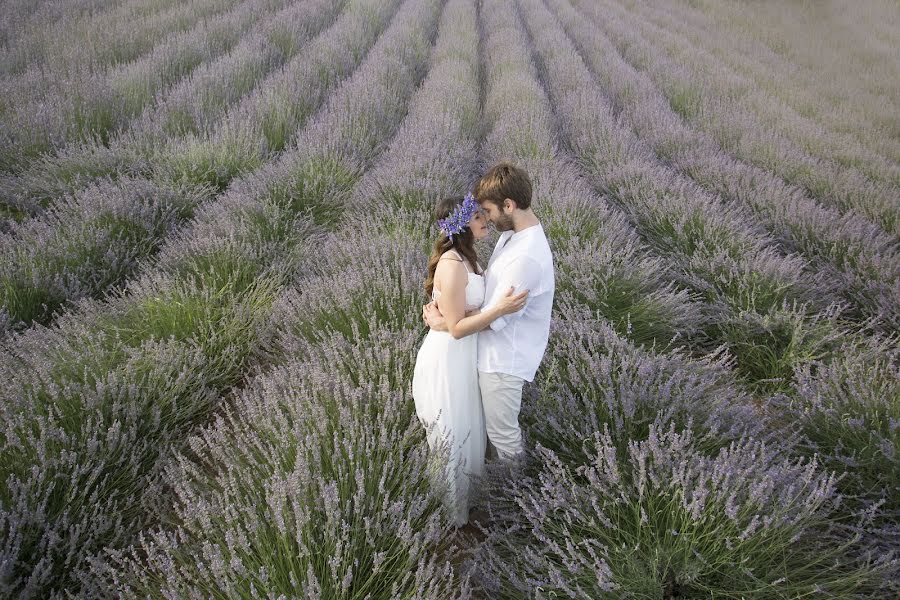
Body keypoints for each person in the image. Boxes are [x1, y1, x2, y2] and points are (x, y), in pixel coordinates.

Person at [424, 162, 555, 465]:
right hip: (485, 355)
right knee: (485, 433)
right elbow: (490, 301)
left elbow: (497, 317)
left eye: (489, 211)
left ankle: (515, 501)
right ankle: (499, 491)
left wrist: (445, 323)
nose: (487, 218)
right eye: (479, 214)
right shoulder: (515, 236)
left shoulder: (526, 257)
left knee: (503, 436)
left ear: (509, 205)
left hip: (501, 362)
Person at [412, 193, 528, 528]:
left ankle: (469, 502)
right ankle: (450, 518)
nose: (485, 221)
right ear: (462, 224)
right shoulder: (450, 265)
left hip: (463, 358)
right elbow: (459, 329)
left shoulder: (468, 258)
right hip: (448, 359)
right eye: (478, 217)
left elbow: (460, 315)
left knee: (468, 428)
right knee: (453, 432)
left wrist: (456, 317)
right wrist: (498, 311)